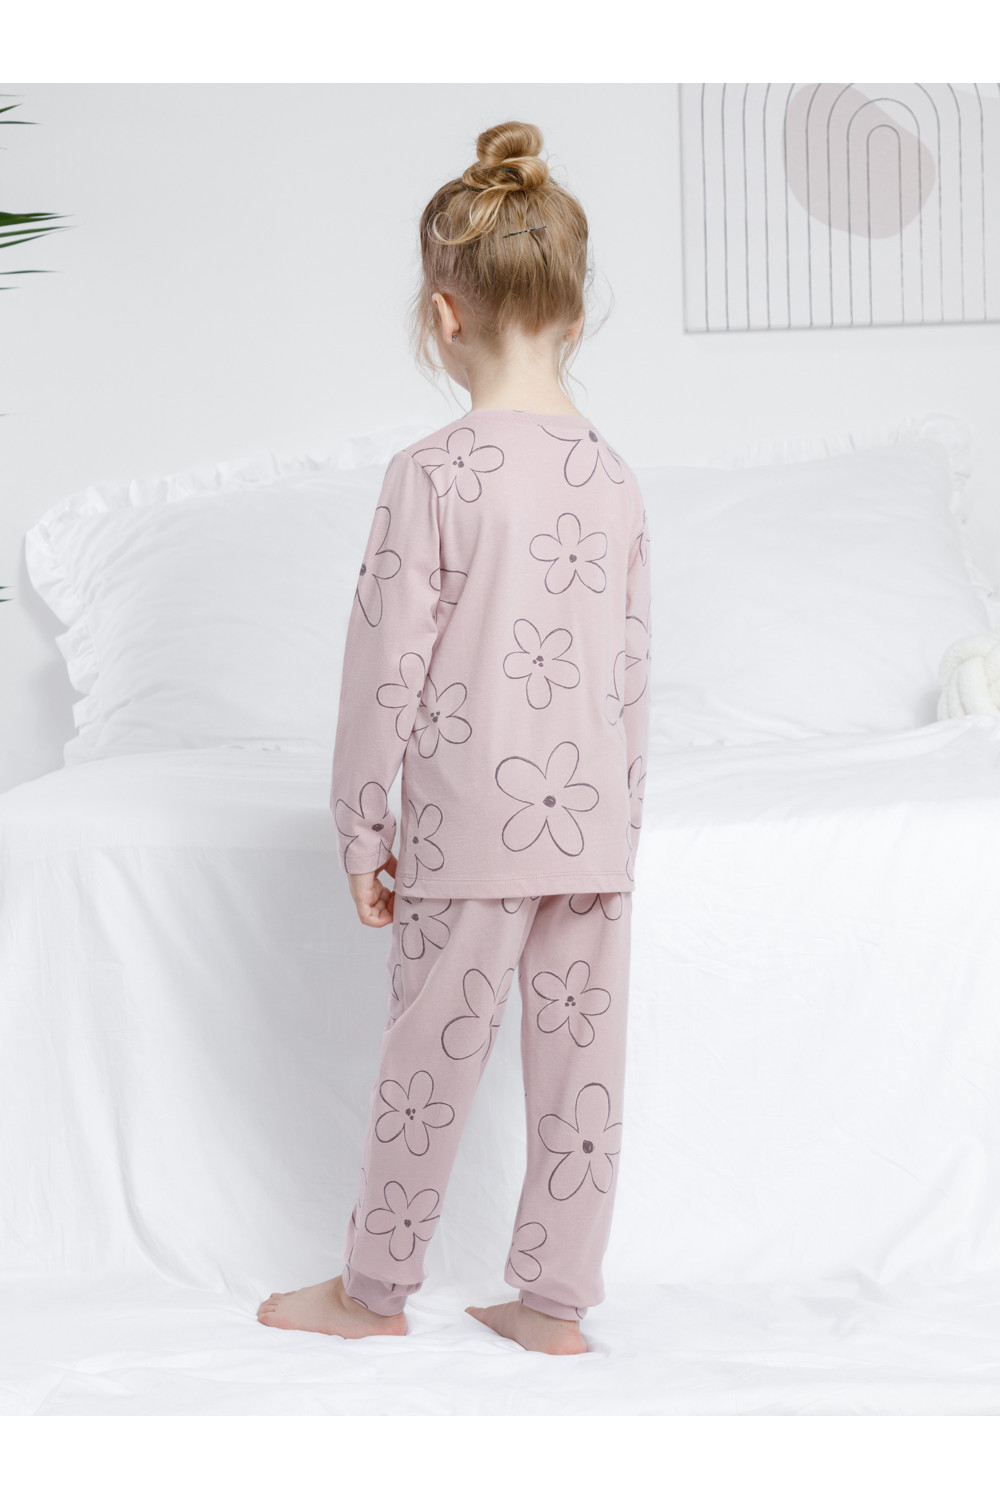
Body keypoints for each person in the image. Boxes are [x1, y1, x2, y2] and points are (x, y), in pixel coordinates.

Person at [257, 119, 652, 1357]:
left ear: (443, 316)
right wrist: (620, 825)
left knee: (426, 1066)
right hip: (590, 829)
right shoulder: (615, 477)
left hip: (469, 826)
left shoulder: (432, 474)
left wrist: (359, 827)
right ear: (574, 315)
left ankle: (373, 1293)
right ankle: (554, 1307)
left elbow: (383, 670)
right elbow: (632, 676)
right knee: (581, 1082)